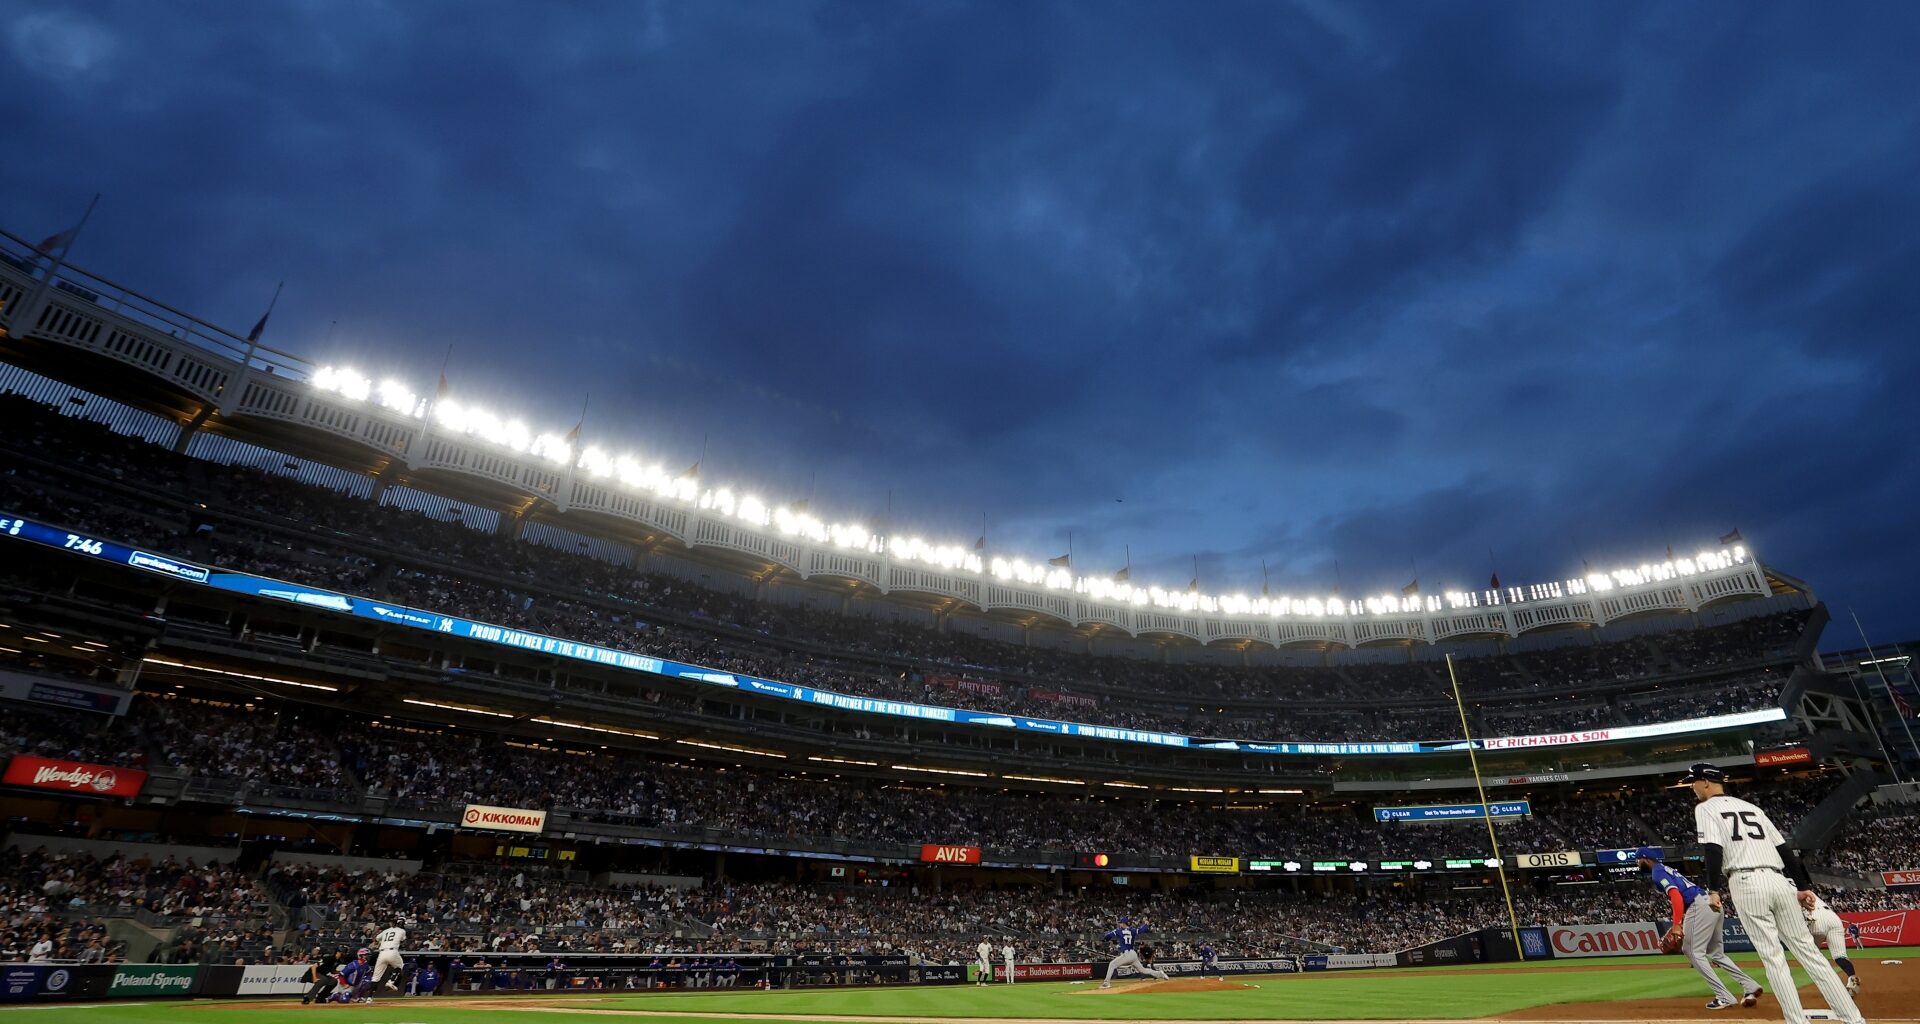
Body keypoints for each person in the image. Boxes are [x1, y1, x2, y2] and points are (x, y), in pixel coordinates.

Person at [1684, 763, 1866, 1024]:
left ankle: (1797, 1022)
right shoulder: (1752, 808)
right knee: (1811, 955)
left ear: (1706, 782)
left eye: (1693, 781)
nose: (1691, 786)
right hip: (1780, 881)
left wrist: (1713, 889)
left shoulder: (1705, 808)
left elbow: (1713, 849)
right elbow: (1785, 849)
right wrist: (1802, 886)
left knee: (1774, 959)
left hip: (1746, 881)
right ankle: (1855, 1020)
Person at [1638, 851, 1762, 1009]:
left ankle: (1724, 997)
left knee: (1691, 951)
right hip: (1710, 903)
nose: (1637, 864)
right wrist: (1681, 920)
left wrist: (1676, 924)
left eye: (1638, 860)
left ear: (1645, 859)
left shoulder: (1657, 873)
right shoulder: (1664, 868)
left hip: (1699, 906)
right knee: (1716, 953)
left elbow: (1676, 895)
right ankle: (1750, 985)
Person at [1804, 891, 1860, 993]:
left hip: (1815, 919)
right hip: (1833, 918)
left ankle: (1830, 985)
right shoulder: (1805, 890)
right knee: (1840, 956)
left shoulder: (1791, 894)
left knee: (1812, 955)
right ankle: (1852, 979)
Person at [1101, 916, 1170, 989]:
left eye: (1120, 923)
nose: (1119, 924)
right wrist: (1146, 924)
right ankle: (1160, 974)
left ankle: (1106, 983)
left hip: (1127, 954)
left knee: (1112, 964)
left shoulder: (1118, 930)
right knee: (1143, 970)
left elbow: (1108, 936)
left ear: (1123, 923)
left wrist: (1104, 939)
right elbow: (1141, 930)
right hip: (1133, 954)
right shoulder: (1132, 930)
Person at [373, 924, 407, 991]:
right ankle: (391, 981)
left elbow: (375, 939)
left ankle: (369, 998)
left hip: (382, 952)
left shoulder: (385, 931)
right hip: (392, 951)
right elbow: (403, 940)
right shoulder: (400, 930)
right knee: (400, 966)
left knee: (375, 977)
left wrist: (379, 941)